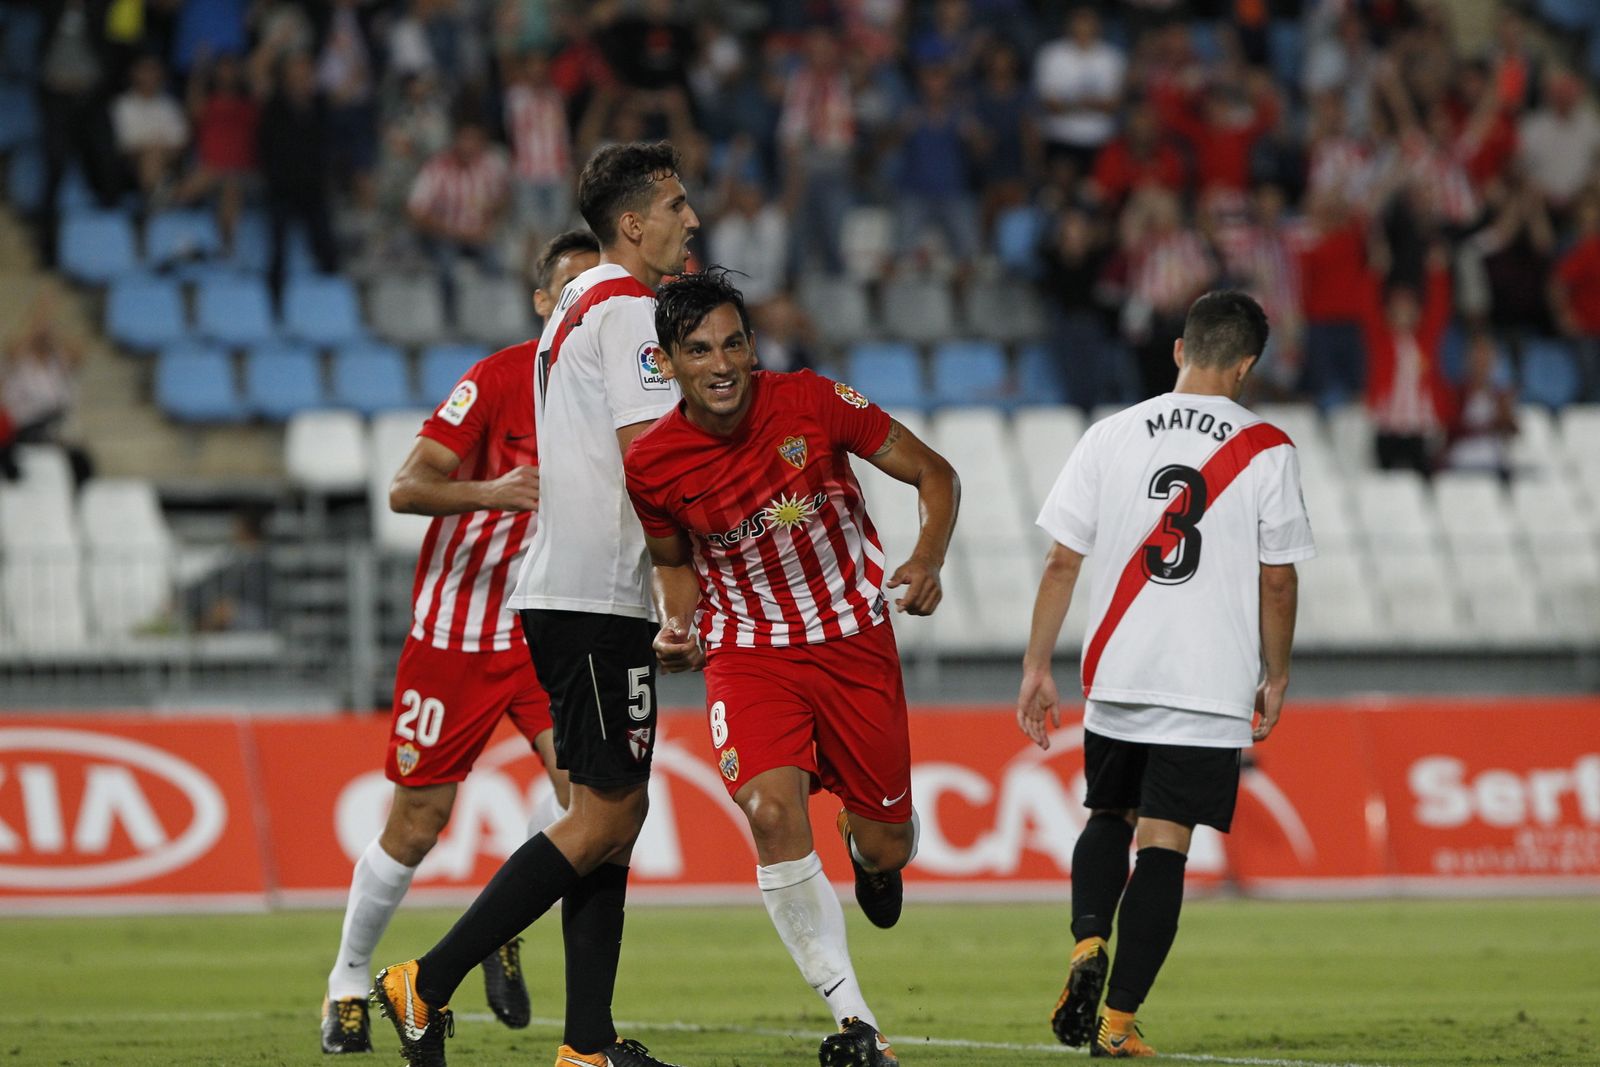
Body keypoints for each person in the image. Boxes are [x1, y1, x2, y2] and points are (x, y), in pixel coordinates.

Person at [373, 141, 698, 1067]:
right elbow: (654, 460)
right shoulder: (629, 307)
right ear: (632, 223)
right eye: (675, 205)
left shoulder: (574, 306)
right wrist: (687, 593)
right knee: (601, 816)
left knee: (616, 813)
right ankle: (424, 983)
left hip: (574, 588)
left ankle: (586, 1047)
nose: (692, 221)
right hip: (597, 594)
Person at [624, 270, 960, 1067]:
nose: (722, 362)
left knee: (887, 846)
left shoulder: (813, 400)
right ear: (668, 362)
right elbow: (674, 564)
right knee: (771, 814)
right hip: (748, 650)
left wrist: (927, 558)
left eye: (734, 341)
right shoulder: (654, 464)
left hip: (853, 641)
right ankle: (858, 1023)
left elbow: (935, 474)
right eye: (699, 348)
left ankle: (864, 839)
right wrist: (678, 624)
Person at [321, 231, 598, 1055]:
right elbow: (407, 486)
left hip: (545, 630)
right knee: (417, 822)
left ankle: (497, 924)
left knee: (594, 805)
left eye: (600, 287)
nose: (588, 302)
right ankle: (344, 981)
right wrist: (497, 490)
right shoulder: (497, 381)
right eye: (571, 288)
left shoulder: (619, 392)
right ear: (545, 302)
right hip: (455, 636)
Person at [1017, 291, 1313, 1058]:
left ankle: (1086, 944)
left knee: (1107, 815)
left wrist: (1035, 665)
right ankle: (1116, 1023)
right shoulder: (1269, 446)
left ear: (1179, 349)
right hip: (1207, 682)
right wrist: (1275, 675)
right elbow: (1277, 580)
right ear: (1247, 366)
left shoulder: (1109, 434)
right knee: (1166, 845)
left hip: (1117, 670)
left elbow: (1061, 560)